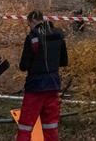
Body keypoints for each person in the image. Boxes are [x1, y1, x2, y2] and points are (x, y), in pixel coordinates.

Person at [16, 10, 68, 141]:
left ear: (32, 21)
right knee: (50, 126)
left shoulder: (33, 37)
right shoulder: (59, 35)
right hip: (53, 86)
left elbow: (24, 65)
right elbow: (64, 61)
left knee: (25, 127)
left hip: (35, 87)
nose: (30, 28)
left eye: (29, 25)